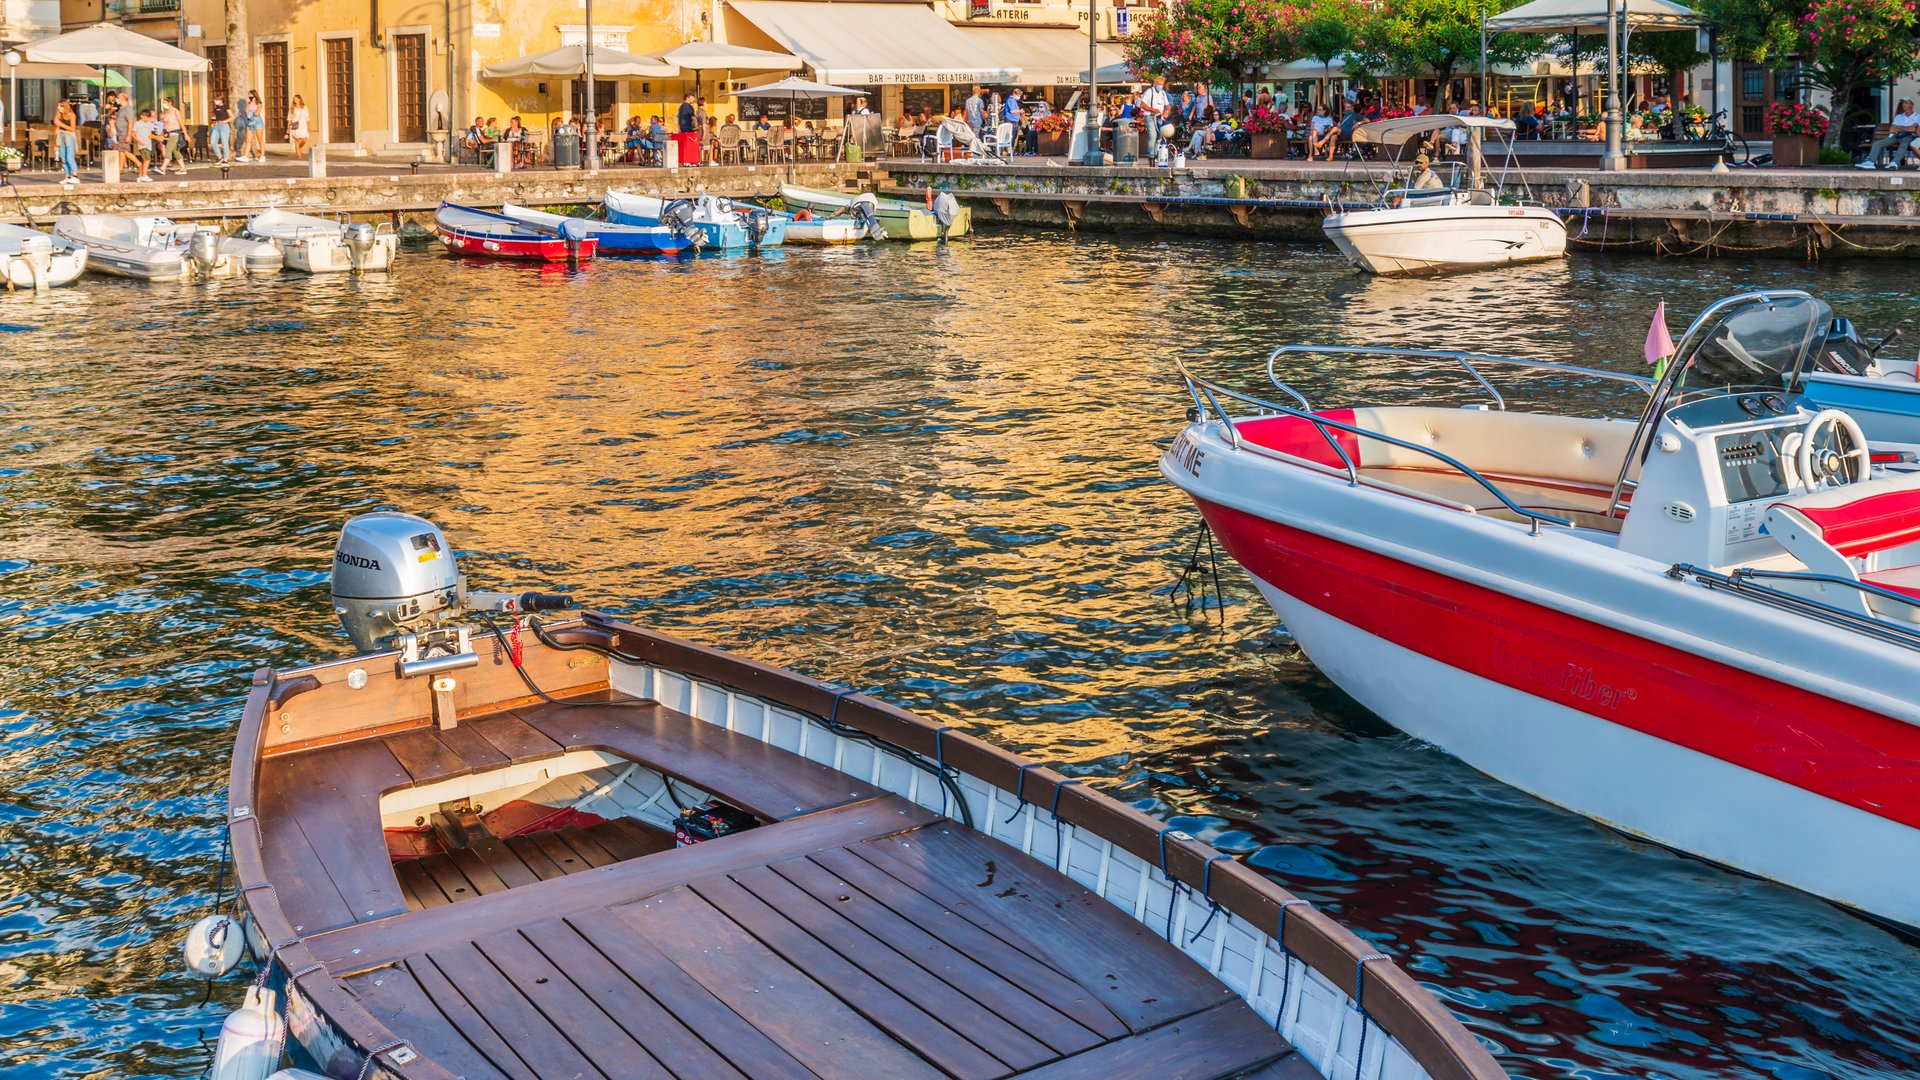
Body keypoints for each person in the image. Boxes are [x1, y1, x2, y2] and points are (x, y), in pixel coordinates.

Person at [1861, 100, 1920, 169]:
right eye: (1903, 103)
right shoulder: (1898, 116)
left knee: (1904, 145)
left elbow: (1913, 130)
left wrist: (1899, 127)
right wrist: (1907, 128)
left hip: (1909, 136)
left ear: (1911, 105)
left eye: (1906, 103)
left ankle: (1894, 163)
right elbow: (1892, 129)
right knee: (1877, 144)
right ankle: (1870, 162)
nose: (1904, 105)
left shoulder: (1918, 116)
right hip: (1896, 135)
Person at [53, 100, 80, 185]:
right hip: (61, 137)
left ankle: (75, 176)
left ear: (65, 107)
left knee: (69, 157)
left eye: (60, 106)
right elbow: (57, 129)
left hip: (69, 136)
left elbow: (72, 129)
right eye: (58, 106)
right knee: (63, 158)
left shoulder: (72, 115)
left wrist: (60, 124)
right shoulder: (58, 116)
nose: (58, 108)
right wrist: (56, 143)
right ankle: (67, 176)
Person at [158, 96, 186, 174]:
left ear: (170, 103)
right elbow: (163, 125)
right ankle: (183, 168)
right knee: (175, 151)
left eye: (165, 102)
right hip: (168, 133)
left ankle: (163, 168)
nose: (164, 104)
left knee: (168, 149)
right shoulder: (165, 113)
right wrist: (162, 134)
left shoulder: (175, 111)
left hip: (175, 133)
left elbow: (181, 123)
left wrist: (185, 134)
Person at [129, 107, 157, 182]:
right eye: (146, 117)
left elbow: (151, 134)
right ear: (142, 116)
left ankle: (140, 176)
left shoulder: (150, 124)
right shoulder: (138, 124)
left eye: (149, 117)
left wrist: (157, 137)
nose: (147, 119)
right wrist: (139, 141)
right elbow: (133, 134)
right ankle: (144, 175)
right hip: (142, 145)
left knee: (145, 160)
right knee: (147, 159)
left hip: (148, 144)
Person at [241, 91, 265, 161]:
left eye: (250, 94)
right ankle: (245, 156)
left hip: (257, 122)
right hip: (250, 123)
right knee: (248, 140)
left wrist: (250, 111)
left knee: (260, 139)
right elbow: (245, 113)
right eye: (248, 94)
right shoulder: (248, 103)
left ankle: (262, 156)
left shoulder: (259, 103)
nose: (248, 96)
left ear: (254, 95)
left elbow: (257, 113)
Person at [209, 95, 233, 164]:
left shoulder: (225, 106)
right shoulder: (216, 107)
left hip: (224, 126)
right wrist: (214, 118)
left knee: (224, 143)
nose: (215, 101)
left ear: (221, 100)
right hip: (216, 125)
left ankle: (226, 159)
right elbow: (217, 116)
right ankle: (220, 157)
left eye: (216, 100)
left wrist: (225, 121)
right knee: (213, 142)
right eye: (215, 100)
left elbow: (232, 117)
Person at [288, 94, 311, 158]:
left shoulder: (305, 108)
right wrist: (288, 128)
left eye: (296, 99)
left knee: (304, 140)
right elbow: (289, 119)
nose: (295, 100)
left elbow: (307, 118)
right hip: (295, 125)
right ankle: (298, 153)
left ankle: (298, 149)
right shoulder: (292, 108)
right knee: (297, 140)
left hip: (303, 125)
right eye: (294, 99)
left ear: (299, 99)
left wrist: (308, 126)